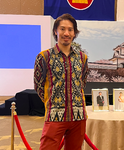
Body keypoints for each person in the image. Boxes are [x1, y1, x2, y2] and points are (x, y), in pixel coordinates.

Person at [34, 13, 89, 150]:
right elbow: (38, 86)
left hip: (78, 116)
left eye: (70, 30)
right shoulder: (44, 57)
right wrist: (53, 102)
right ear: (55, 31)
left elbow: (82, 82)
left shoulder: (82, 58)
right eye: (62, 29)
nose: (66, 33)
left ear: (74, 33)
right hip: (55, 115)